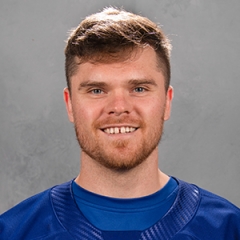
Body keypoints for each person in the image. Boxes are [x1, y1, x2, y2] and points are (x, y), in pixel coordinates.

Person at [0, 7, 239, 240]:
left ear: (167, 102)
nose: (119, 107)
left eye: (138, 88)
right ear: (70, 104)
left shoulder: (229, 228)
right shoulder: (13, 232)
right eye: (96, 90)